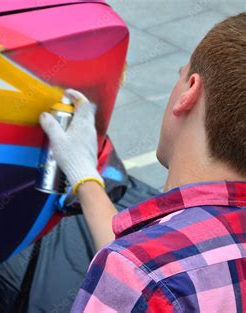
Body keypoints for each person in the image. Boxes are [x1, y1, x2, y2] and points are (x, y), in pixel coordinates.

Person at [40, 13, 246, 312]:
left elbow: (146, 272)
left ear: (189, 92)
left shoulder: (145, 278)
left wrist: (131, 267)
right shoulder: (147, 270)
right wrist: (85, 176)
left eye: (180, 74)